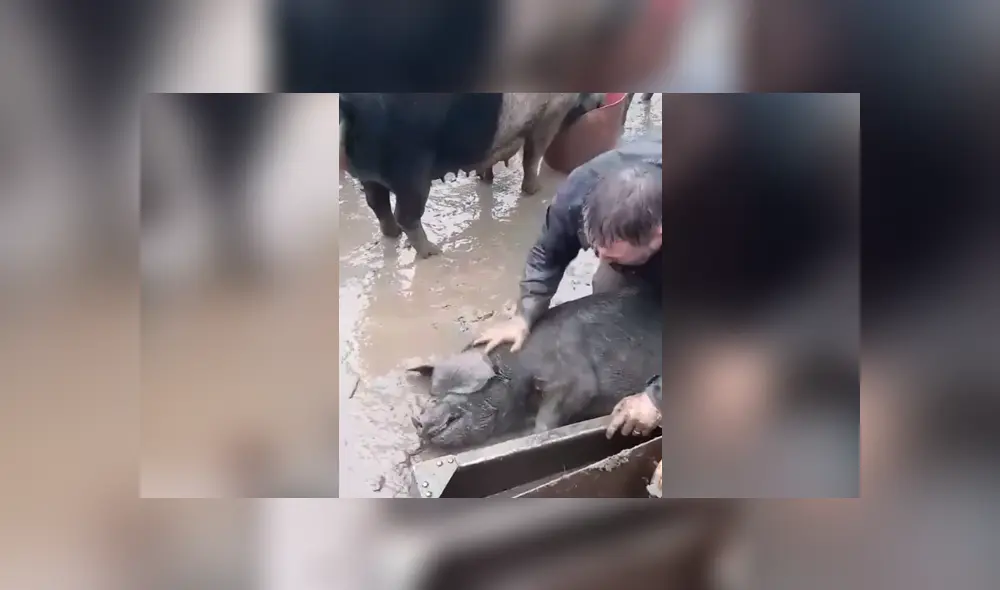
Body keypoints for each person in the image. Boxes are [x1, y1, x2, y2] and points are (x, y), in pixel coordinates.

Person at [474, 132, 664, 436]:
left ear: (657, 237)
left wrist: (657, 398)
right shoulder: (579, 191)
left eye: (613, 254)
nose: (601, 257)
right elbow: (546, 254)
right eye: (597, 248)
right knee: (608, 288)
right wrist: (525, 315)